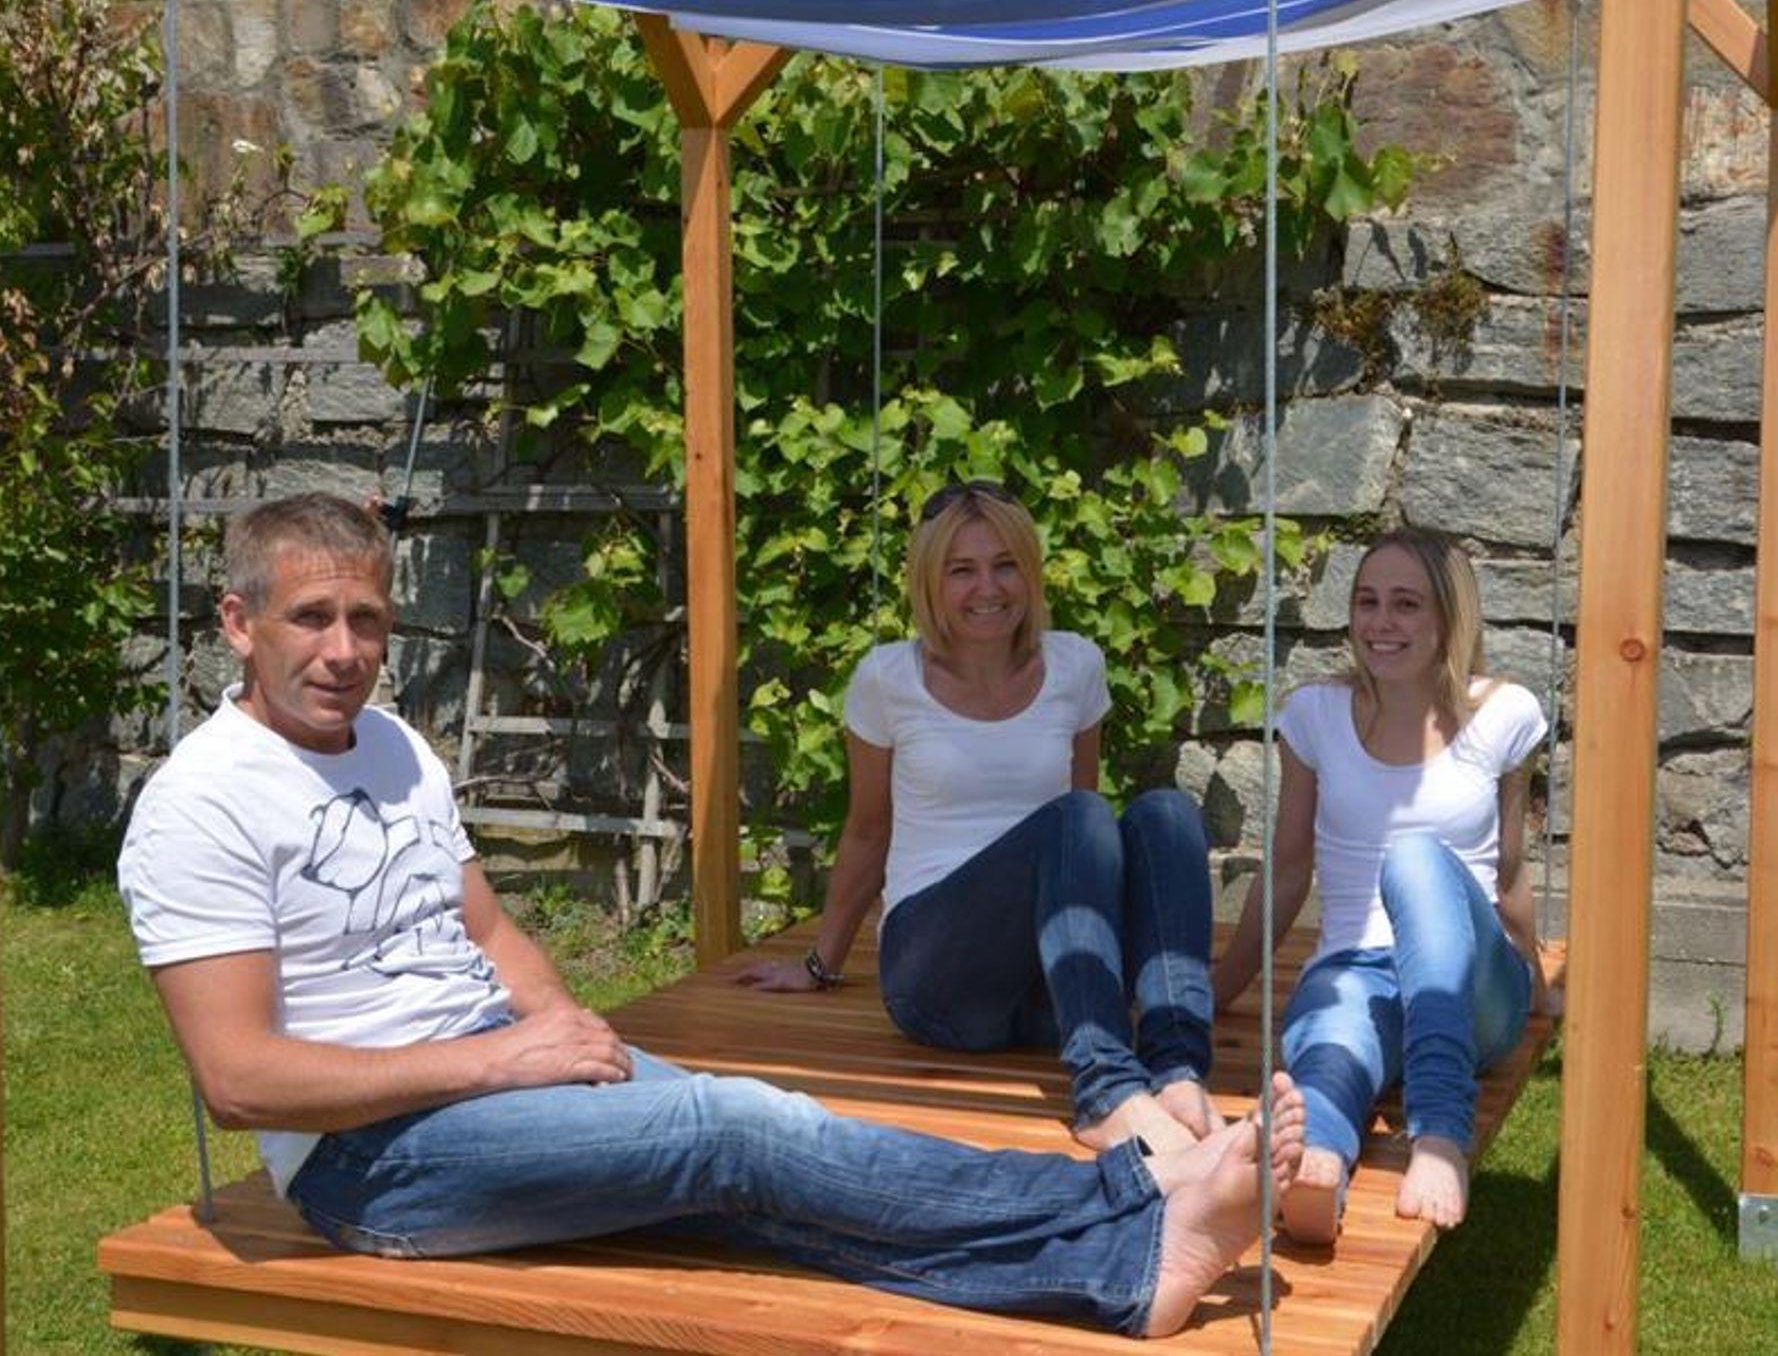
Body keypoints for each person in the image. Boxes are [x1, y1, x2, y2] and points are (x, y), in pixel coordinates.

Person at [116, 492, 1308, 1338]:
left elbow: (483, 928)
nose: (343, 650)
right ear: (238, 622)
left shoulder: (393, 745)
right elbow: (240, 1079)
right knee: (737, 1127)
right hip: (369, 1164)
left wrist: (569, 1032)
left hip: (493, 1080)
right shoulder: (202, 801)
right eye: (310, 617)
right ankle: (1139, 1194)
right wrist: (500, 1060)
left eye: (367, 618)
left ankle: (1123, 1270)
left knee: (761, 1170)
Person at [737, 480, 1221, 1155]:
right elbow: (868, 829)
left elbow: (1090, 854)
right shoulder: (887, 678)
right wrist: (820, 964)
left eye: (1005, 565)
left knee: (1165, 814)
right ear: (929, 582)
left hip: (1044, 993)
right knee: (1076, 818)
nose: (987, 588)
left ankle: (1175, 1070)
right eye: (961, 570)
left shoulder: (1076, 664)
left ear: (1030, 571)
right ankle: (1107, 1091)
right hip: (936, 980)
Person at [1213, 528, 1551, 1241]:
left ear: (1449, 619)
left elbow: (1510, 869)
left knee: (1415, 857)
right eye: (1367, 602)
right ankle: (1316, 1165)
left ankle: (1440, 1135)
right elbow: (1288, 866)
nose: (1380, 622)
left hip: (1472, 983)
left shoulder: (1503, 714)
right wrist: (1224, 986)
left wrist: (1535, 975)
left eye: (1406, 603)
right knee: (1332, 1046)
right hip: (1357, 966)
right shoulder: (1315, 715)